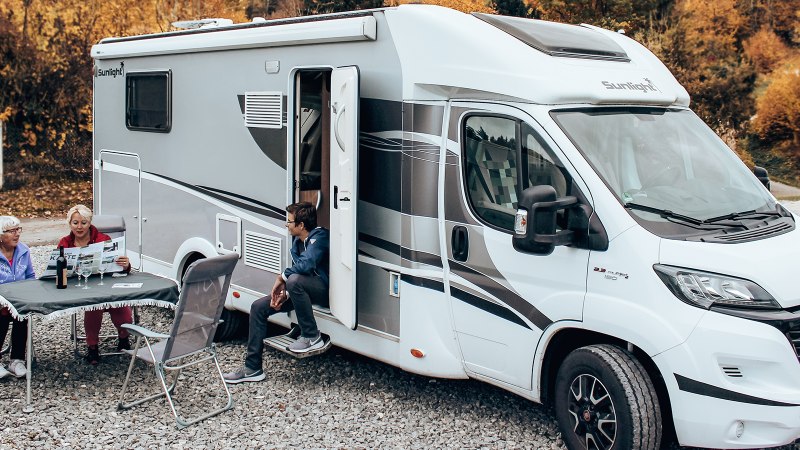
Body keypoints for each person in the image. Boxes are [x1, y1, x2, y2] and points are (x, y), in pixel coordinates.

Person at [224, 202, 329, 384]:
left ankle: (311, 336)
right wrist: (285, 294)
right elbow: (299, 275)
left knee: (294, 279)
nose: (286, 225)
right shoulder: (297, 242)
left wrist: (282, 278)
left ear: (301, 225)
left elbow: (307, 265)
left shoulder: (319, 237)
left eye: (289, 222)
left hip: (324, 291)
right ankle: (252, 368)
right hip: (302, 291)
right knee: (258, 307)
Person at [58, 205, 132, 365]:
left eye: (83, 223)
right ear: (69, 223)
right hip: (80, 287)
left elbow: (119, 267)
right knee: (94, 306)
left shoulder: (103, 239)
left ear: (90, 222)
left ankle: (124, 337)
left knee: (121, 307)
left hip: (105, 283)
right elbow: (58, 271)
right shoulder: (65, 242)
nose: (79, 227)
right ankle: (92, 347)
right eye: (75, 222)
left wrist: (125, 265)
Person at [0, 216, 35, 379]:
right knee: (2, 314)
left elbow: (30, 276)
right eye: (11, 231)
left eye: (18, 230)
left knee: (23, 313)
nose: (17, 234)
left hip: (18, 300)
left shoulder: (24, 250)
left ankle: (16, 360)